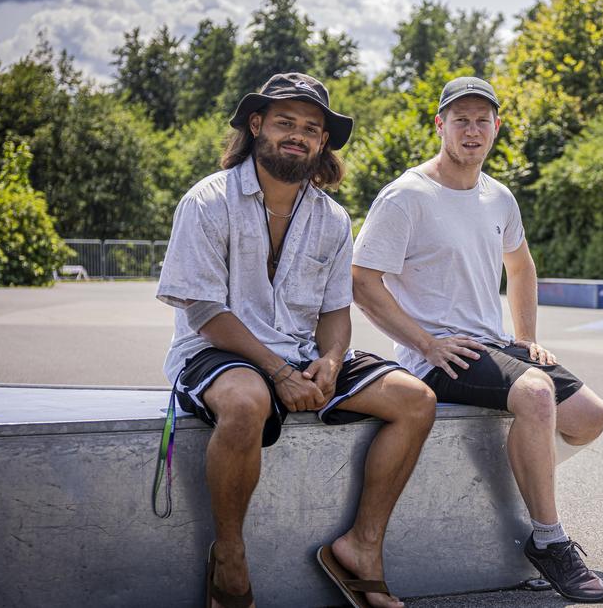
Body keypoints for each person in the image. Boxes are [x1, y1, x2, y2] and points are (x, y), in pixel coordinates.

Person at [157, 72, 434, 608]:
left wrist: (329, 363)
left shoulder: (331, 218)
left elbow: (334, 311)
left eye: (312, 128)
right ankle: (230, 556)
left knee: (416, 400)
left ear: (322, 142)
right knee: (246, 401)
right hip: (218, 350)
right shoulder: (207, 201)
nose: (299, 135)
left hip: (302, 354)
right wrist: (277, 372)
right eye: (286, 122)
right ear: (256, 125)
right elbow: (206, 310)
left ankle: (361, 548)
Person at [350, 76, 603, 603]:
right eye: (461, 119)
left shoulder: (499, 196)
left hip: (493, 346)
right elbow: (362, 280)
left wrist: (529, 337)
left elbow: (521, 266)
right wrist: (425, 344)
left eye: (482, 119)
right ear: (440, 125)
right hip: (440, 355)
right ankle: (549, 539)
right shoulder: (406, 197)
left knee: (590, 417)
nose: (472, 130)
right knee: (536, 394)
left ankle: (513, 471)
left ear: (497, 126)